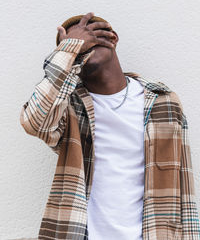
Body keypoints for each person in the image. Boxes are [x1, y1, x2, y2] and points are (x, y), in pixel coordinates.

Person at [20, 12, 200, 239]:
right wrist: (68, 49)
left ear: (112, 38)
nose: (83, 42)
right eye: (75, 40)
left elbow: (182, 184)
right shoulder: (68, 108)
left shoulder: (163, 101)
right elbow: (33, 121)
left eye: (91, 33)